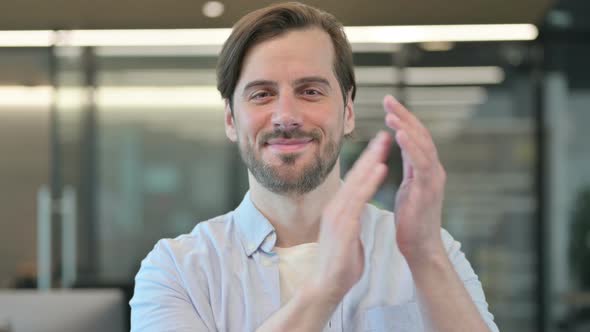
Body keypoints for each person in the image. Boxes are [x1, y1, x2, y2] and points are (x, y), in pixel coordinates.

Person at [130, 2, 499, 331]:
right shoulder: (176, 272)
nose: (286, 116)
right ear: (230, 118)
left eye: (310, 91)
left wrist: (425, 256)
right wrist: (324, 289)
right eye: (262, 94)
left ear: (348, 111)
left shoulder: (431, 253)